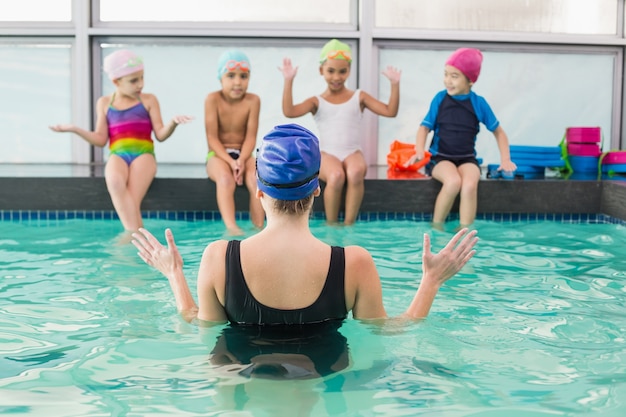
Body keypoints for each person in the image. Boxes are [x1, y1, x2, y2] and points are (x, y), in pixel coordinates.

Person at [131, 123, 478, 327]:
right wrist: (432, 281)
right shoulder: (354, 263)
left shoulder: (217, 258)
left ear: (259, 190)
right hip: (324, 393)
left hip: (241, 396)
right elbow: (394, 330)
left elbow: (199, 325)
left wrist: (173, 272)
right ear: (316, 189)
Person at [50, 49, 193, 234]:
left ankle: (130, 238)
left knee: (131, 200)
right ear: (116, 81)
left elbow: (160, 134)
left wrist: (173, 123)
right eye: (134, 80)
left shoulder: (148, 100)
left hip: (144, 154)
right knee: (116, 182)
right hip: (118, 154)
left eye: (142, 77)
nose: (140, 84)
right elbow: (101, 139)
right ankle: (136, 237)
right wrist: (75, 129)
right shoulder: (104, 103)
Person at [278, 39, 401, 225]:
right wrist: (288, 81)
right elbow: (289, 112)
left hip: (352, 151)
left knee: (356, 171)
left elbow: (390, 112)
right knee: (336, 176)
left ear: (349, 71)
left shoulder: (359, 96)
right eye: (331, 71)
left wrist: (394, 84)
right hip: (327, 153)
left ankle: (349, 225)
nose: (336, 77)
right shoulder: (317, 101)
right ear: (321, 71)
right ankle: (332, 225)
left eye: (342, 71)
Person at [405, 47, 516, 230]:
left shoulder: (478, 103)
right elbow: (424, 128)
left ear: (470, 80)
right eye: (446, 74)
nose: (447, 80)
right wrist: (419, 150)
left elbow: (499, 132)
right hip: (440, 158)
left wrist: (505, 159)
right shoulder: (440, 99)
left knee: (470, 184)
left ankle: (465, 232)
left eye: (454, 76)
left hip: (467, 158)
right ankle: (437, 227)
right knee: (453, 181)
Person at [205, 50, 264, 235]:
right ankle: (232, 228)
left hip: (245, 153)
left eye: (243, 76)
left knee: (256, 179)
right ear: (220, 78)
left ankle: (259, 228)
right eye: (231, 76)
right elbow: (212, 139)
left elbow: (250, 138)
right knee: (225, 180)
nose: (237, 82)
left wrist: (241, 159)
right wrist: (231, 162)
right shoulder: (212, 99)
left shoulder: (253, 101)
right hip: (218, 155)